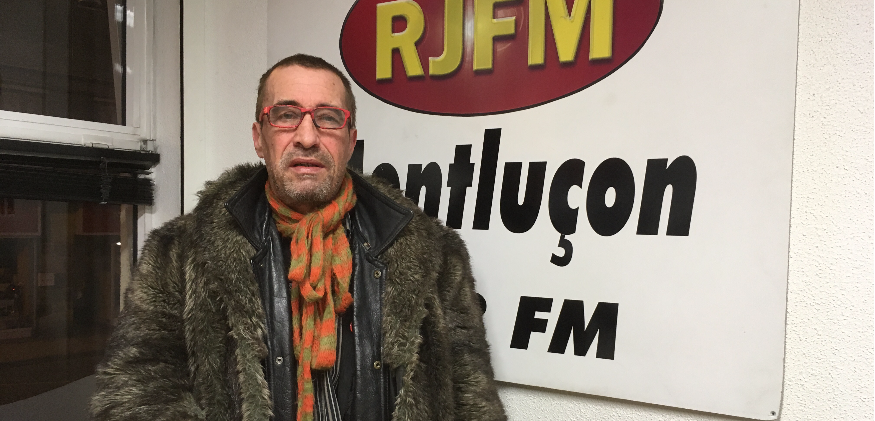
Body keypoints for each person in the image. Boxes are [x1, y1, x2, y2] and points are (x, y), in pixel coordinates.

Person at [91, 54, 506, 421]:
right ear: (259, 137)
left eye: (328, 118)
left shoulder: (432, 254)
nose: (307, 137)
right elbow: (134, 390)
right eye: (286, 115)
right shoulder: (180, 253)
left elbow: (472, 400)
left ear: (350, 140)